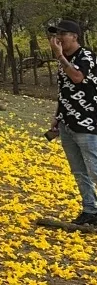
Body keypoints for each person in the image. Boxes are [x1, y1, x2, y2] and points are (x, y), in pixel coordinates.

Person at [48, 19, 97, 225]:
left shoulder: (86, 56)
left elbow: (77, 77)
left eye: (63, 34)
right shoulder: (64, 59)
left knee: (94, 169)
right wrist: (57, 116)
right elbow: (65, 91)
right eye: (56, 34)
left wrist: (59, 56)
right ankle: (90, 210)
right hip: (67, 122)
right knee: (78, 170)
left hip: (88, 123)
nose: (58, 38)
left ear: (74, 37)